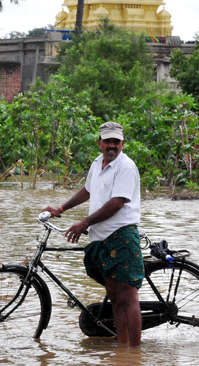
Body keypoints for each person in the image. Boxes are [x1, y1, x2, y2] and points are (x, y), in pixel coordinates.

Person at [44, 121, 144, 346]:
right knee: (116, 298)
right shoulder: (97, 164)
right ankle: (123, 350)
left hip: (121, 236)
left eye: (116, 142)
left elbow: (117, 202)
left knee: (127, 297)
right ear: (99, 143)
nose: (111, 146)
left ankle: (134, 354)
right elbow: (87, 191)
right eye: (107, 141)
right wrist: (60, 209)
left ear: (122, 144)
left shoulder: (125, 167)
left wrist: (85, 222)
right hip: (101, 238)